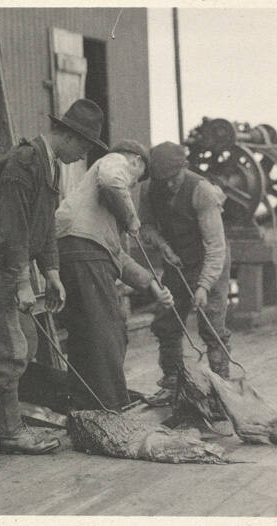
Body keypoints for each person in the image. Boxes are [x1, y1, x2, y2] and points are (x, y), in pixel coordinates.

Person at [0, 99, 106, 455]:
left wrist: (51, 273)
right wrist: (24, 282)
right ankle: (9, 433)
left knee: (27, 341)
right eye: (83, 145)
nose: (83, 154)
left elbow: (43, 226)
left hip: (5, 262)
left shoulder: (50, 166)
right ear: (68, 135)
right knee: (11, 349)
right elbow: (12, 229)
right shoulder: (23, 164)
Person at [55, 139, 174, 411]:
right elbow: (112, 181)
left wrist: (153, 285)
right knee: (109, 330)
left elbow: (117, 254)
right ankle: (108, 405)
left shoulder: (98, 216)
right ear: (136, 161)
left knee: (87, 332)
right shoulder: (114, 162)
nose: (131, 187)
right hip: (85, 253)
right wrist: (131, 217)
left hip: (77, 252)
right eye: (136, 181)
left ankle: (87, 402)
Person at [138, 141, 232, 395]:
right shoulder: (148, 190)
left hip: (209, 261)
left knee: (211, 326)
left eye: (173, 178)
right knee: (167, 322)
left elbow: (215, 247)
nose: (168, 185)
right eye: (162, 179)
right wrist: (163, 246)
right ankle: (173, 380)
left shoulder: (202, 191)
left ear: (184, 168)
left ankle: (221, 387)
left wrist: (203, 286)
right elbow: (145, 226)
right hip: (177, 261)